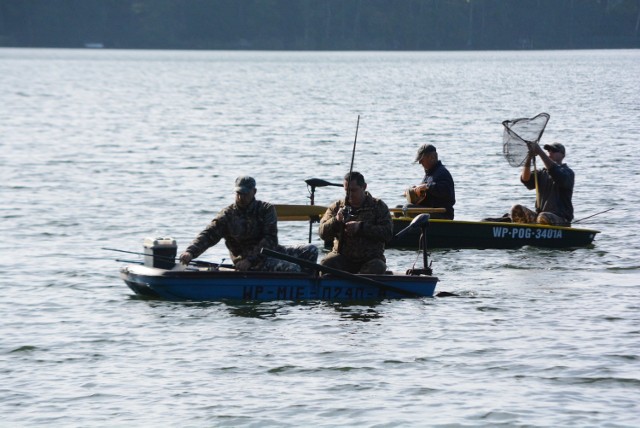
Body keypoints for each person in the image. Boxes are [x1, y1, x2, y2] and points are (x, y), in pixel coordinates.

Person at [179, 176, 318, 271]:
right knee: (293, 269)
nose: (241, 197)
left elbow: (270, 239)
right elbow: (208, 235)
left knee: (311, 250)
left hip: (268, 253)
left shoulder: (266, 209)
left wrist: (251, 259)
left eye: (245, 193)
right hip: (244, 261)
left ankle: (309, 286)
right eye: (238, 193)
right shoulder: (227, 215)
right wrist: (190, 252)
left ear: (254, 192)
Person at [318, 171, 393, 274]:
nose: (349, 195)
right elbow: (322, 233)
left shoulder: (378, 206)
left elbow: (387, 233)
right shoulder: (337, 207)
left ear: (364, 187)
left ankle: (360, 286)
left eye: (353, 190)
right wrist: (336, 220)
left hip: (370, 259)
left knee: (378, 267)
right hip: (342, 257)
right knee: (325, 264)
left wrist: (361, 228)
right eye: (347, 191)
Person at [510, 142, 574, 226]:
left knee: (543, 216)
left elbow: (555, 172)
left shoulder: (568, 173)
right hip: (541, 218)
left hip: (561, 219)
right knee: (516, 209)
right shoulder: (541, 172)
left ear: (562, 155)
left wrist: (540, 152)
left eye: (554, 150)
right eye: (549, 150)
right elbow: (525, 179)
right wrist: (529, 157)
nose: (550, 152)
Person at [404, 144, 456, 219]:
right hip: (430, 211)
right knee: (399, 208)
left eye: (421, 159)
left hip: (442, 214)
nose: (420, 162)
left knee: (407, 208)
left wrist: (427, 187)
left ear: (432, 157)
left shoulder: (442, 173)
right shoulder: (429, 175)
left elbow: (446, 192)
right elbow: (425, 197)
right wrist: (413, 193)